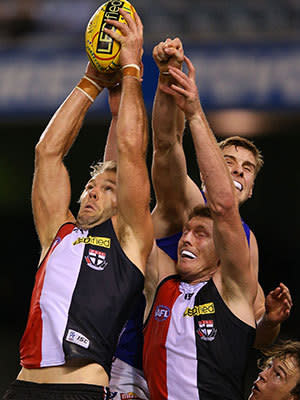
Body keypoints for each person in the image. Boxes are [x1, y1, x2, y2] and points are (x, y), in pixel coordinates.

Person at [3, 8, 153, 400]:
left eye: (106, 187)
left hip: (80, 390)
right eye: (90, 184)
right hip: (22, 386)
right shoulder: (59, 232)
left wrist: (133, 69)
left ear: (127, 203)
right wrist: (90, 82)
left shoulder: (131, 239)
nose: (90, 191)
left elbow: (133, 151)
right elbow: (47, 153)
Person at [142, 54, 278, 399]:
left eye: (247, 168)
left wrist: (272, 322)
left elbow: (255, 330)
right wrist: (168, 84)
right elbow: (166, 144)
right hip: (132, 359)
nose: (237, 171)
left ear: (251, 187)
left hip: (189, 373)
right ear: (208, 169)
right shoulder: (187, 199)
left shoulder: (246, 241)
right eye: (227, 161)